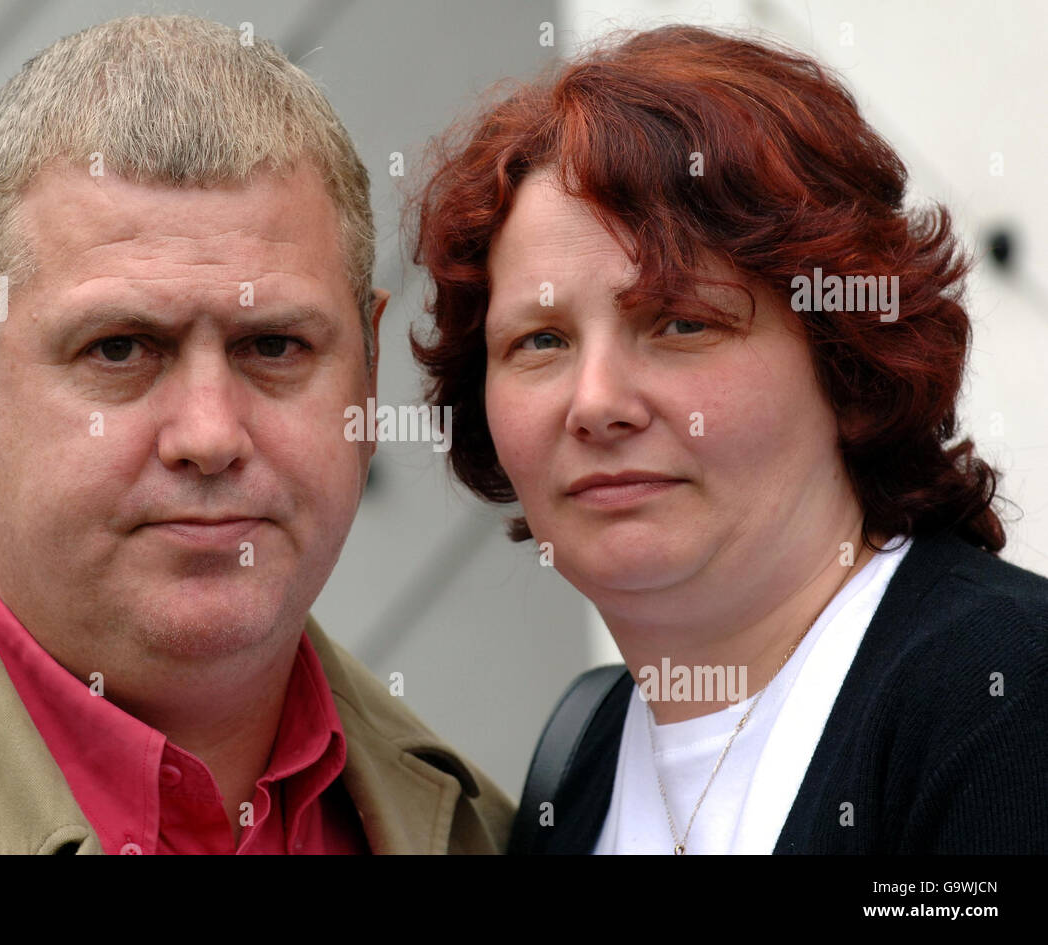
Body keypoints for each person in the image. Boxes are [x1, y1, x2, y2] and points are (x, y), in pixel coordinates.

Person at [0, 14, 512, 855]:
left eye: (274, 347)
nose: (211, 434)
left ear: (367, 379)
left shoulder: (481, 832)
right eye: (119, 348)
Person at [410, 24, 1048, 854]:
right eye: (541, 340)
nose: (596, 403)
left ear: (846, 360)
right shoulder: (577, 768)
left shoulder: (1008, 702)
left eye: (681, 322)